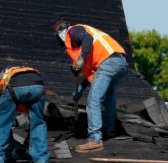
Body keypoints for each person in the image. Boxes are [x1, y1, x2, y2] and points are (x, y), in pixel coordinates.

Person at [54, 21, 129, 153]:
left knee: (93, 100)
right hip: (120, 62)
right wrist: (80, 89)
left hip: (109, 62)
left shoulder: (74, 31)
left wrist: (81, 58)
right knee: (109, 96)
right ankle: (109, 129)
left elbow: (87, 38)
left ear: (61, 32)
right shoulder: (90, 51)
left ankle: (95, 139)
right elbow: (94, 77)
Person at [0, 66, 49, 163]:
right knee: (38, 123)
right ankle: (41, 160)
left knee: (2, 123)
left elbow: (2, 117)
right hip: (38, 86)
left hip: (15, 87)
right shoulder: (19, 71)